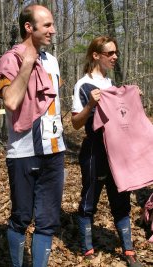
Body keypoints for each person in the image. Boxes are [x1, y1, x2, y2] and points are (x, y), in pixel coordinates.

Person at [0, 4, 65, 267]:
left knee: (48, 221)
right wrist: (28, 62)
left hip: (54, 150)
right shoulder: (12, 59)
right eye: (47, 25)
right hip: (24, 152)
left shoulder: (52, 61)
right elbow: (11, 100)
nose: (53, 30)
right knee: (21, 217)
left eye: (53, 24)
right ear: (29, 28)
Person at [71, 36, 142, 267]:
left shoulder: (112, 85)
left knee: (121, 199)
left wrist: (133, 101)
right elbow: (75, 124)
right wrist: (90, 104)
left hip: (117, 155)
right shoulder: (83, 85)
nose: (115, 57)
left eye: (116, 53)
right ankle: (87, 249)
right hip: (94, 153)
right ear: (96, 55)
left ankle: (129, 252)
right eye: (110, 53)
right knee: (89, 201)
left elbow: (123, 120)